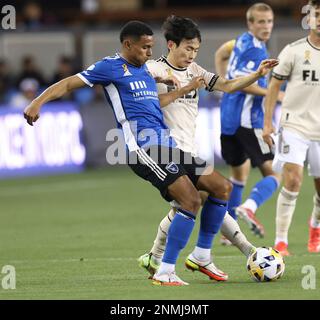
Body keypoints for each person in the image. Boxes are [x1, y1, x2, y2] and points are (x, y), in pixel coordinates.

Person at [24, 20, 278, 286]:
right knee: (190, 201)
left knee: (221, 187)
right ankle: (165, 270)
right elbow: (67, 84)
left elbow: (164, 84)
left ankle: (199, 255)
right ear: (127, 44)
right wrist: (37, 101)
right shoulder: (109, 67)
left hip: (168, 145)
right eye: (145, 47)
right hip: (143, 148)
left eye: (151, 46)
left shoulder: (147, 70)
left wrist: (166, 80)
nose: (148, 52)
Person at [138, 15, 258, 281]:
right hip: (165, 150)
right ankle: (242, 250)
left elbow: (227, 85)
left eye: (196, 49)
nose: (192, 54)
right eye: (188, 48)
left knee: (203, 198)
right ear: (171, 44)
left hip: (188, 151)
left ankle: (160, 257)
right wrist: (185, 89)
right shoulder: (152, 70)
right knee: (201, 197)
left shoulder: (196, 71)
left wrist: (257, 74)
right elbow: (147, 104)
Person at [216, 3, 284, 238]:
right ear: (250, 23)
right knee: (275, 173)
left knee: (238, 176)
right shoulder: (255, 50)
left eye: (270, 21)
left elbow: (221, 54)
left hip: (227, 120)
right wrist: (274, 94)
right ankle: (249, 207)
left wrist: (223, 84)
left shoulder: (240, 41)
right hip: (247, 121)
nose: (266, 27)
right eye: (261, 22)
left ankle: (229, 232)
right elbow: (247, 85)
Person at [263, 0, 320, 255]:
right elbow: (274, 87)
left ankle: (315, 229)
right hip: (294, 125)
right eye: (316, 15)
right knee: (293, 179)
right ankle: (281, 241)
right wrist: (267, 124)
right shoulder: (293, 51)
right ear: (309, 19)